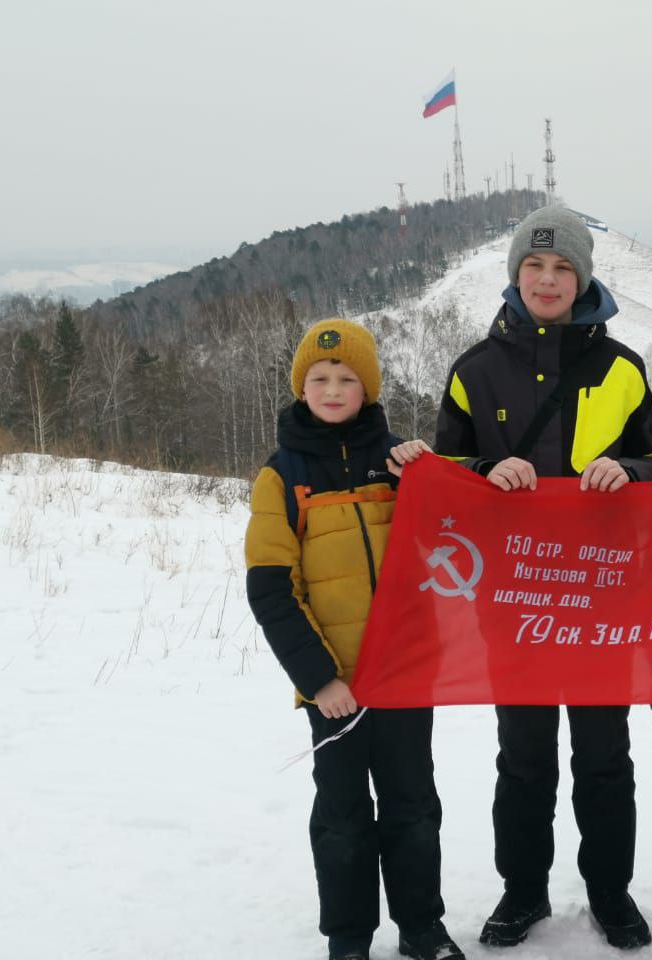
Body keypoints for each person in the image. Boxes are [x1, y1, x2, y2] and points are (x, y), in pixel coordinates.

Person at [393, 204, 652, 950]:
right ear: (515, 274)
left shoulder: (622, 369)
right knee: (522, 758)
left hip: (600, 600)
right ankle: (523, 892)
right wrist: (486, 469)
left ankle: (611, 894)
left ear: (582, 279)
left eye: (562, 268)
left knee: (605, 757)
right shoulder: (474, 371)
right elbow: (447, 477)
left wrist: (632, 468)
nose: (547, 280)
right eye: (534, 266)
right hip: (511, 602)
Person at [244, 318, 463, 960]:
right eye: (319, 378)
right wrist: (319, 680)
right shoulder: (281, 476)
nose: (333, 388)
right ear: (300, 387)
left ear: (367, 388)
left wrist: (424, 476)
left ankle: (422, 927)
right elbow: (272, 588)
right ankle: (348, 936)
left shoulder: (402, 464)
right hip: (333, 685)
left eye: (347, 378)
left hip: (404, 675)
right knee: (341, 815)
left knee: (414, 806)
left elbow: (451, 543)